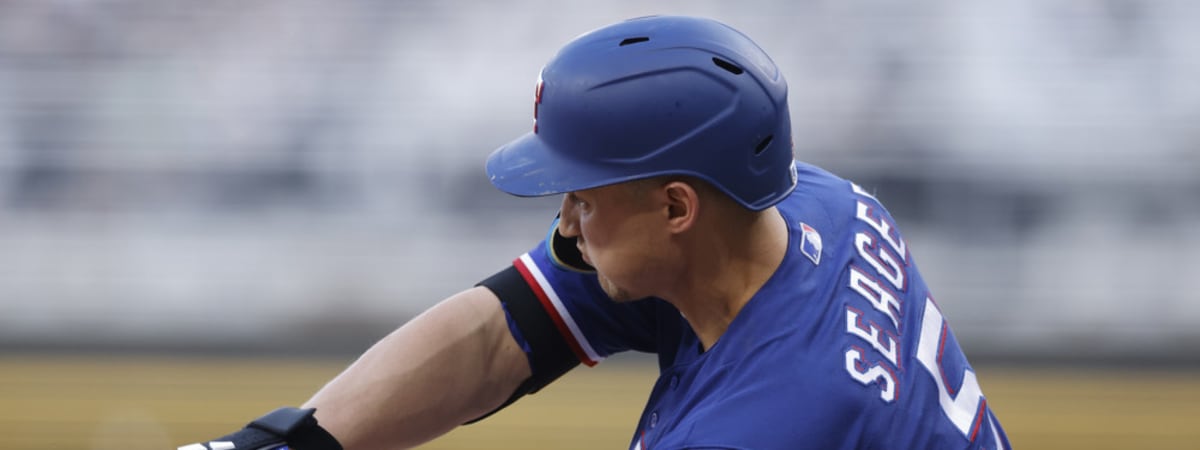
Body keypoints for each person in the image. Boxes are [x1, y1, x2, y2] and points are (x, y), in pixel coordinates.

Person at [180, 15, 1010, 450]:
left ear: (676, 208)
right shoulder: (800, 210)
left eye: (583, 196)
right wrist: (287, 444)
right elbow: (503, 330)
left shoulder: (765, 426)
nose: (565, 222)